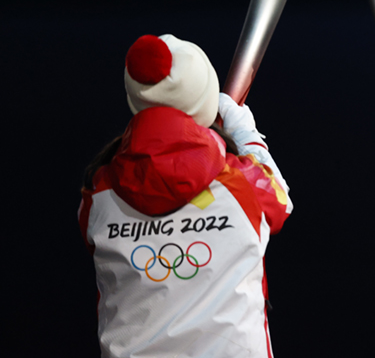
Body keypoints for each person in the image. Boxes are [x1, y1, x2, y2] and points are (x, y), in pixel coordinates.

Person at [79, 34, 292, 358]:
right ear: (203, 100)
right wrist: (245, 133)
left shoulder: (98, 197)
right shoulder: (242, 184)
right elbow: (279, 199)